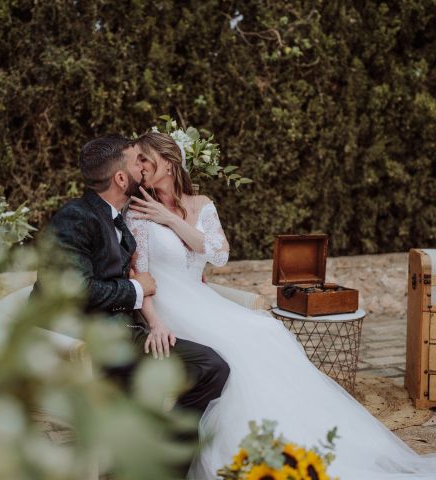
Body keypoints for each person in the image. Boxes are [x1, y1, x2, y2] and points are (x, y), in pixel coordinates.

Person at [125, 131, 436, 480]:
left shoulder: (201, 204)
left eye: (144, 160)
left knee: (268, 330)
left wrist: (170, 219)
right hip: (171, 307)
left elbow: (220, 254)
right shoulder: (139, 210)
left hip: (203, 300)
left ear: (168, 163)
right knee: (239, 350)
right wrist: (153, 321)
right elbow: (140, 274)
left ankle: (290, 443)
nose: (138, 167)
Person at [29, 134, 230, 477]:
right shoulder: (75, 217)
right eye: (138, 161)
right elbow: (77, 291)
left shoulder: (115, 216)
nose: (143, 167)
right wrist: (137, 289)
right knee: (187, 375)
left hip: (124, 328)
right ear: (121, 177)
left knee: (211, 366)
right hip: (87, 340)